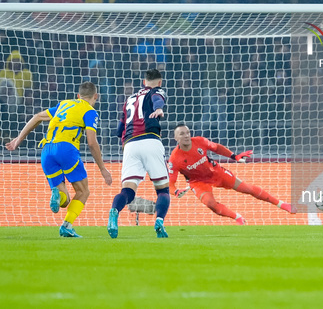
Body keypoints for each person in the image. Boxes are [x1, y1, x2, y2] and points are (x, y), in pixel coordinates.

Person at [5, 82, 112, 237]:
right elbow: (91, 142)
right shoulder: (90, 111)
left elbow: (37, 117)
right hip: (66, 149)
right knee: (83, 191)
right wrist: (102, 168)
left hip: (47, 151)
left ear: (78, 96)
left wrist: (18, 139)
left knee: (65, 201)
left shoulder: (63, 105)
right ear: (96, 96)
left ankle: (57, 193)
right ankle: (66, 226)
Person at [168, 124, 295, 225]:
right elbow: (170, 184)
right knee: (211, 205)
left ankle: (282, 204)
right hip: (198, 183)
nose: (186, 136)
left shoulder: (199, 141)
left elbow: (217, 148)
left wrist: (234, 156)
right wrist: (175, 192)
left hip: (215, 172)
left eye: (188, 133)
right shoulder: (174, 159)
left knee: (247, 189)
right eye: (182, 134)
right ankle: (237, 217)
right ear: (176, 138)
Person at [108, 69, 170, 238]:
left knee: (128, 192)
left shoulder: (130, 99)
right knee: (163, 190)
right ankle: (159, 222)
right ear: (159, 82)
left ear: (143, 82)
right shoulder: (156, 91)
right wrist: (158, 109)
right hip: (150, 140)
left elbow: (119, 129)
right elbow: (158, 99)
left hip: (130, 145)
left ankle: (114, 211)